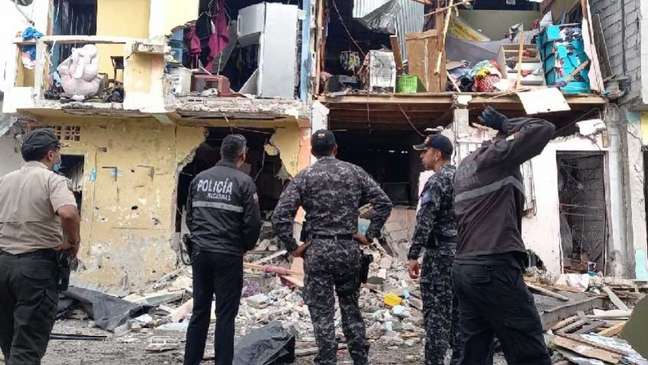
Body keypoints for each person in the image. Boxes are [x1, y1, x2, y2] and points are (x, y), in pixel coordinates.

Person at [272, 130, 392, 365]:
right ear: (335, 149)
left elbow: (280, 216)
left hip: (318, 251)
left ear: (314, 152)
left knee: (322, 313)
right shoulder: (354, 172)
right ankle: (360, 359)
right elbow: (384, 203)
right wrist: (369, 235)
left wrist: (293, 247)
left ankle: (327, 359)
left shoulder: (305, 176)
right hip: (348, 250)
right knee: (350, 307)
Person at [453, 107, 555, 365]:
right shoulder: (499, 157)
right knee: (528, 349)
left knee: (474, 352)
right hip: (493, 266)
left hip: (466, 268)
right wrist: (508, 124)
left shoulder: (466, 166)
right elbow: (543, 129)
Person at [0, 128, 80, 364]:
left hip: (3, 265)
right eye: (57, 153)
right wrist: (72, 242)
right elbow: (67, 213)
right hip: (36, 269)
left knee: (9, 341)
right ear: (50, 155)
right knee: (27, 346)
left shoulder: (4, 180)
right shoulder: (52, 180)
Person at [184, 134, 262, 365]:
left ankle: (191, 362)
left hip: (201, 253)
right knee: (226, 316)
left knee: (199, 311)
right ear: (243, 155)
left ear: (221, 154)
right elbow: (252, 224)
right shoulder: (244, 182)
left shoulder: (199, 179)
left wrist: (200, 240)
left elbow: (191, 216)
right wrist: (244, 246)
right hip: (228, 255)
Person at [408, 133, 462, 365]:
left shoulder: (437, 181)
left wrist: (413, 255)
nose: (421, 155)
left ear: (437, 154)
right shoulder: (464, 178)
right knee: (459, 314)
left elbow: (425, 220)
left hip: (440, 257)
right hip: (463, 255)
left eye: (425, 151)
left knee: (436, 316)